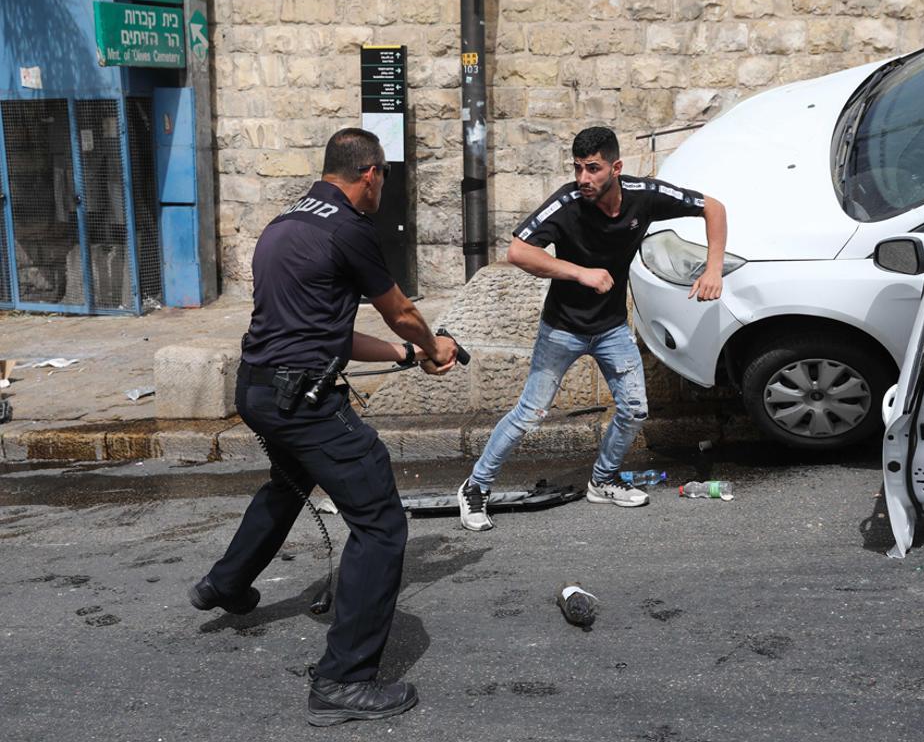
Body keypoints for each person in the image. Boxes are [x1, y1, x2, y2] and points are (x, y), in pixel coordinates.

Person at [187, 128, 458, 726]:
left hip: (258, 387)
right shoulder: (350, 229)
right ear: (370, 174)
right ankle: (343, 681)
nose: (382, 186)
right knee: (381, 524)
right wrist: (432, 345)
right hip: (304, 401)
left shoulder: (286, 223)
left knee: (289, 483)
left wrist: (404, 356)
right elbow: (404, 311)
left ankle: (226, 585)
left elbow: (322, 330)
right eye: (383, 175)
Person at [457, 126, 727, 531]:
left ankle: (603, 479)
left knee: (635, 409)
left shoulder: (644, 195)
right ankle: (475, 486)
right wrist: (580, 273)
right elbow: (518, 251)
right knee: (530, 412)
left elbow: (713, 207)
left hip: (612, 328)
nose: (584, 179)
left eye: (593, 169)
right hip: (562, 329)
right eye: (579, 168)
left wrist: (713, 269)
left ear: (615, 168)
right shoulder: (566, 203)